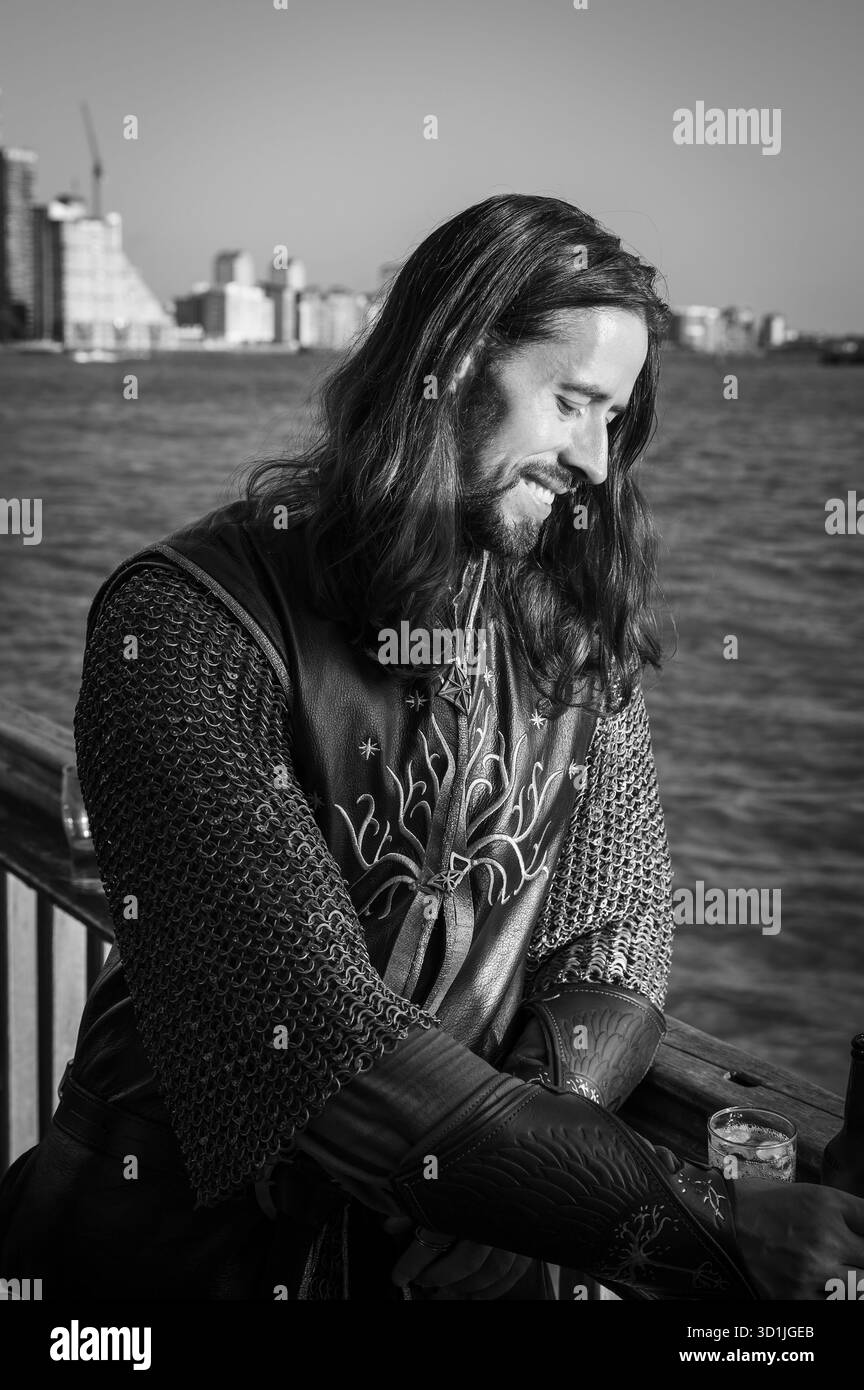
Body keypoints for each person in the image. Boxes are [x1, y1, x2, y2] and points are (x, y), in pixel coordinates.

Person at [1, 193, 862, 1301]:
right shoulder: (185, 623)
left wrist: (525, 1138)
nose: (598, 463)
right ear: (452, 362)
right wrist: (714, 1224)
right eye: (571, 403)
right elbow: (314, 1047)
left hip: (452, 1272)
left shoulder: (568, 635)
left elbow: (619, 925)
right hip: (167, 1263)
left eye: (617, 419)